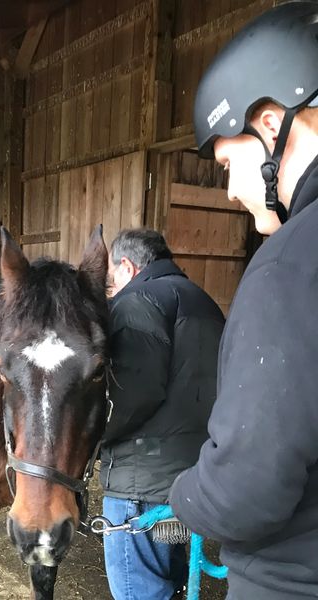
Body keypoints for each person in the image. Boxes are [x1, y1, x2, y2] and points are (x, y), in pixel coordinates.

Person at [168, 3, 318, 600]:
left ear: (273, 122)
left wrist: (183, 497)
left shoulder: (289, 267)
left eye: (229, 162)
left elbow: (245, 492)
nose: (229, 191)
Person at [100, 228, 224, 600]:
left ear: (127, 266)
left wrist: (91, 436)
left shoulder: (135, 303)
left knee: (139, 591)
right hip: (191, 479)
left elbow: (129, 397)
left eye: (112, 277)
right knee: (173, 583)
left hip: (140, 484)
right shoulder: (205, 303)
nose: (113, 287)